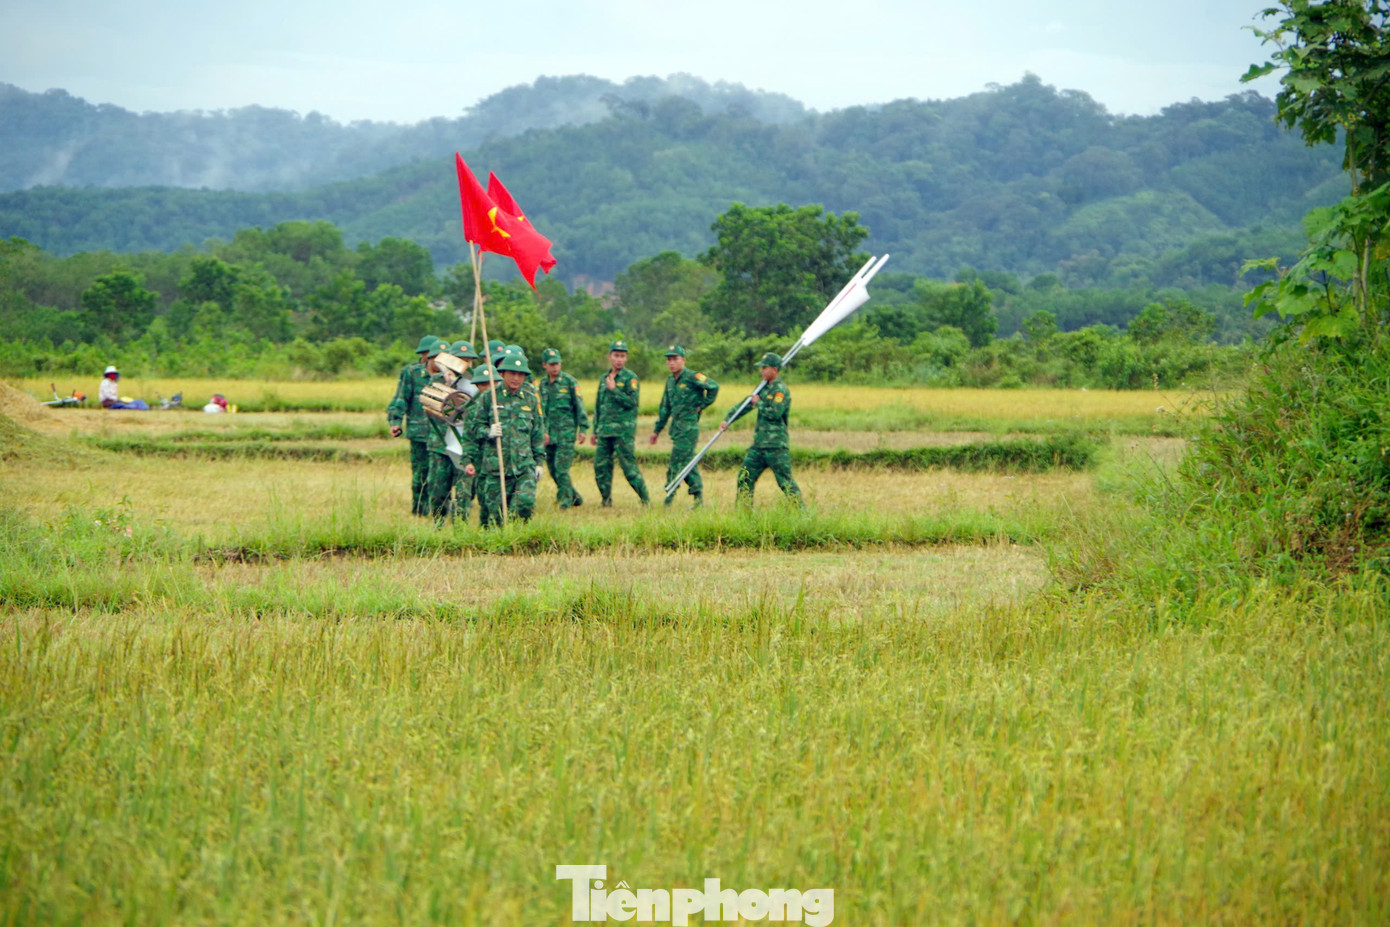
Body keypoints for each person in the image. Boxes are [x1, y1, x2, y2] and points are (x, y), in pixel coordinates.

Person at [461, 354, 545, 525]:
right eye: (512, 373)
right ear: (503, 374)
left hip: (523, 466)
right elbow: (475, 428)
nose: (516, 378)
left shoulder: (529, 399)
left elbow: (536, 433)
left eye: (520, 375)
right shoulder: (489, 398)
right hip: (496, 468)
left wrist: (539, 462)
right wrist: (488, 432)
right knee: (496, 517)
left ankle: (518, 539)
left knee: (525, 504)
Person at [717, 352, 803, 507]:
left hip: (776, 446)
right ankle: (743, 514)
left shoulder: (780, 390)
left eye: (765, 367)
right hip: (758, 445)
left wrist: (759, 404)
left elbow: (776, 413)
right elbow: (744, 405)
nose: (761, 371)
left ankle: (802, 514)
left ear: (775, 369)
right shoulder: (762, 388)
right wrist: (728, 419)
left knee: (785, 482)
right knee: (744, 478)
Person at [650, 345, 719, 507]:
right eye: (669, 360)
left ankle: (669, 496)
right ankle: (698, 497)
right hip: (676, 428)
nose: (672, 363)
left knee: (676, 462)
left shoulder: (692, 376)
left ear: (683, 360)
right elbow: (665, 407)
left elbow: (713, 387)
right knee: (687, 462)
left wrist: (702, 404)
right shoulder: (670, 381)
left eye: (675, 359)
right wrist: (657, 430)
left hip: (689, 427)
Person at [590, 339, 650, 507]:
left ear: (626, 358)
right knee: (601, 467)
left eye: (622, 356)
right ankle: (606, 500)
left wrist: (614, 390)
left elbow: (632, 402)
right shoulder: (604, 378)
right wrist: (595, 430)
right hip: (604, 430)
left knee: (629, 468)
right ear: (609, 356)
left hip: (623, 431)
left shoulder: (631, 378)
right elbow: (598, 405)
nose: (619, 359)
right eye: (616, 355)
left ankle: (645, 499)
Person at [423, 341, 477, 525]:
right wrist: (448, 383)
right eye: (460, 359)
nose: (464, 363)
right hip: (441, 445)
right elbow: (431, 405)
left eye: (468, 360)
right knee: (438, 490)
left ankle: (461, 527)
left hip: (465, 444)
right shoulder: (437, 380)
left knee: (464, 491)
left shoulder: (475, 384)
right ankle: (438, 523)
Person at [387, 335, 439, 516]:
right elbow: (401, 398)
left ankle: (440, 510)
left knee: (441, 474)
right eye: (429, 354)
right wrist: (395, 421)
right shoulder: (412, 373)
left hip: (442, 435)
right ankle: (419, 509)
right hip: (419, 432)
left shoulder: (448, 376)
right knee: (420, 473)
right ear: (423, 355)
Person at [538, 348, 589, 509]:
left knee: (561, 469)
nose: (555, 367)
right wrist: (543, 430)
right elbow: (541, 411)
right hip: (549, 434)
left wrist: (583, 429)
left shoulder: (569, 382)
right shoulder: (543, 384)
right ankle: (575, 496)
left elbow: (579, 406)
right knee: (553, 470)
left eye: (557, 364)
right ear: (544, 365)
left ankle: (565, 500)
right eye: (551, 364)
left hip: (566, 433)